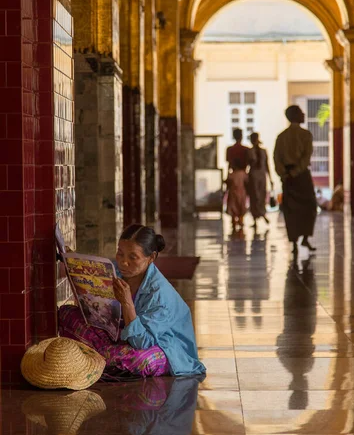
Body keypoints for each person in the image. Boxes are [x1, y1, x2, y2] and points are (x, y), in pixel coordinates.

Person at [58, 224, 206, 378]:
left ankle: (97, 356)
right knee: (66, 314)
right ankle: (107, 357)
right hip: (121, 338)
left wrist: (127, 303)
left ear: (151, 258)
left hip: (161, 347)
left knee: (140, 360)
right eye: (120, 253)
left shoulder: (159, 295)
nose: (123, 262)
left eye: (132, 257)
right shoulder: (115, 271)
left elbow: (141, 343)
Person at [274, 105, 317, 255]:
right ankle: (305, 237)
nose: (304, 114)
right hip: (301, 176)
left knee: (290, 210)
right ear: (296, 116)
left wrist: (284, 174)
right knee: (309, 206)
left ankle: (294, 243)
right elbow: (306, 157)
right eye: (301, 113)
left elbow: (277, 159)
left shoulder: (281, 137)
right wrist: (296, 172)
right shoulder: (306, 135)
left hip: (287, 178)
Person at [247, 132, 273, 229]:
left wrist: (270, 179)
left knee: (258, 197)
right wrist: (270, 179)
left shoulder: (254, 151)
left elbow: (266, 165)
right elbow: (267, 166)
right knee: (257, 197)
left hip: (256, 176)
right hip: (259, 176)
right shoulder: (254, 151)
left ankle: (260, 215)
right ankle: (260, 215)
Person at [226, 157, 248, 230]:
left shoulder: (231, 175)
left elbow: (228, 183)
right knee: (241, 206)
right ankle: (241, 221)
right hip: (242, 192)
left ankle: (233, 221)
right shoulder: (243, 174)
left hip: (233, 192)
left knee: (233, 207)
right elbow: (247, 182)